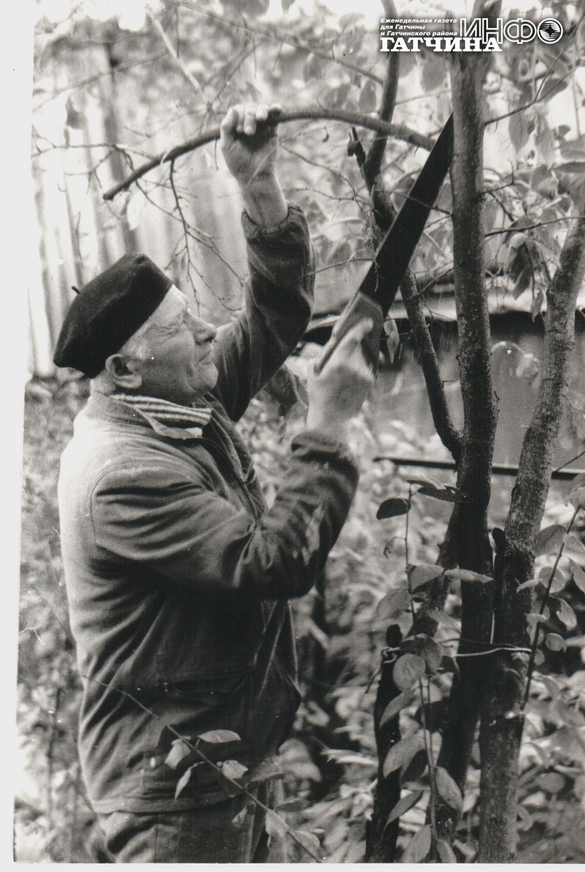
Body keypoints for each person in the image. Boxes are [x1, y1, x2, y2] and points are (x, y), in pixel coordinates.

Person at [53, 103, 375, 863]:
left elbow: (271, 317)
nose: (205, 333)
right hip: (170, 798)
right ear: (126, 367)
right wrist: (327, 429)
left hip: (217, 769)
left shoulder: (173, 397)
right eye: (181, 329)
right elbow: (274, 563)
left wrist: (259, 186)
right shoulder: (122, 474)